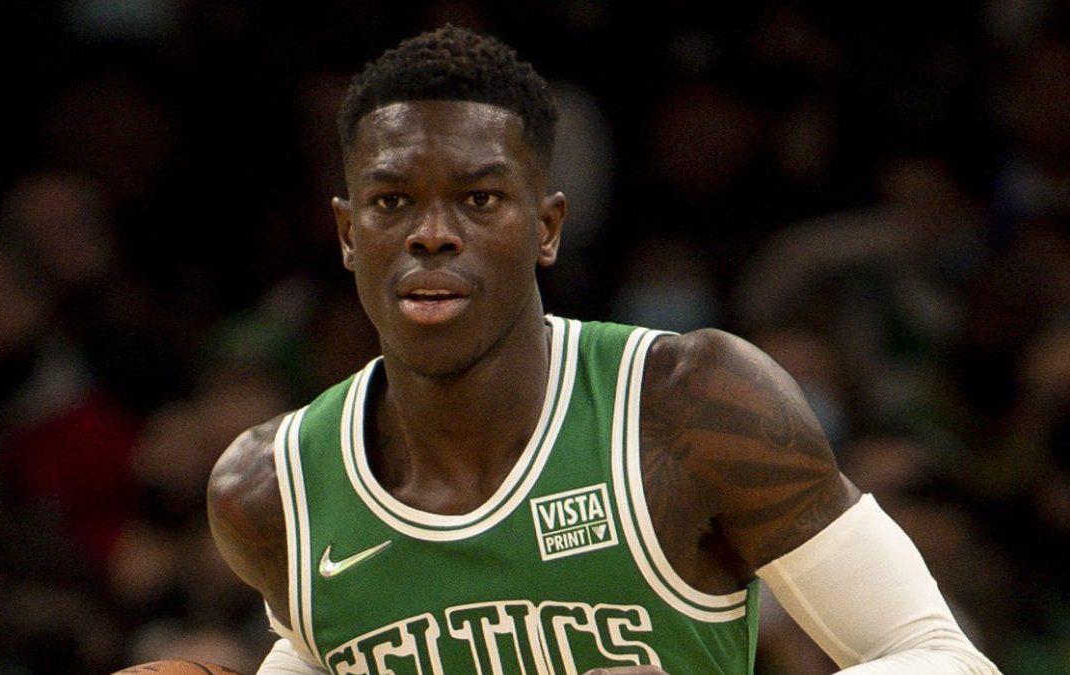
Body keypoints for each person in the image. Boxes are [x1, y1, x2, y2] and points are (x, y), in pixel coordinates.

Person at [208, 25, 1000, 674]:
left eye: (479, 199)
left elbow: (939, 655)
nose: (433, 233)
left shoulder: (691, 401)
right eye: (391, 202)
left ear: (547, 226)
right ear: (349, 233)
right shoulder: (272, 489)